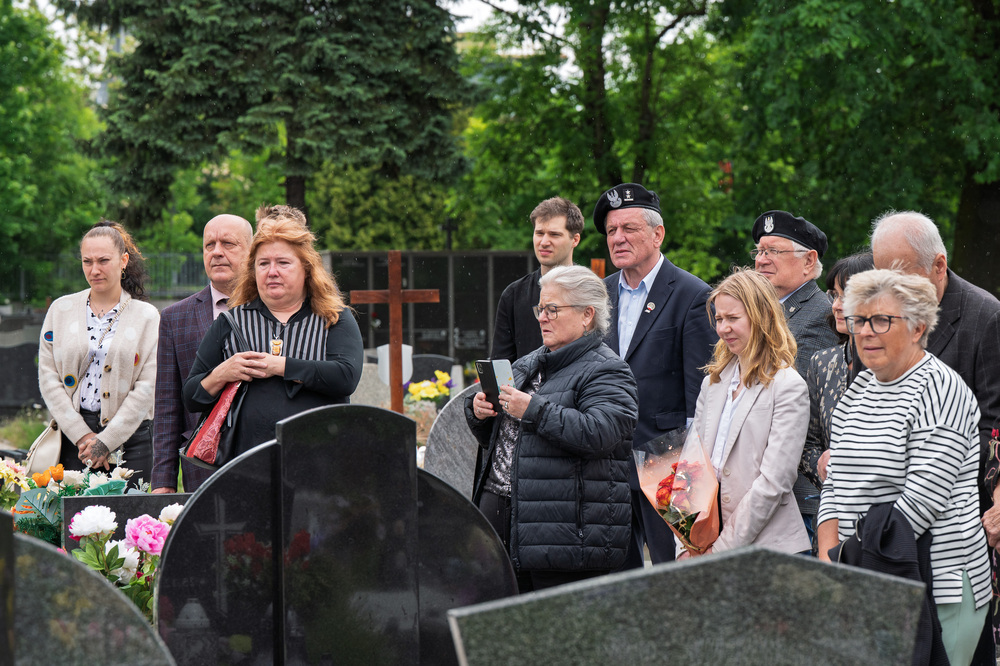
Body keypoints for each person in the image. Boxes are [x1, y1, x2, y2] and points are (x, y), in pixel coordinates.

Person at [817, 269, 990, 666]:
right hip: (864, 574)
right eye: (860, 320)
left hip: (936, 583)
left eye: (881, 320)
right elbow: (835, 484)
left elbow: (920, 504)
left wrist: (846, 562)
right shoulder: (860, 389)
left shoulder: (941, 389)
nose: (865, 331)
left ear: (918, 328)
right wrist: (830, 560)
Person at [871, 210, 1000, 656]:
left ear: (939, 266)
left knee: (957, 646)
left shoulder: (985, 317)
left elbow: (993, 424)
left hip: (958, 523)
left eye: (900, 271)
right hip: (890, 521)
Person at [466, 265, 638, 593]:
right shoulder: (528, 363)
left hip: (563, 537)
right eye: (540, 309)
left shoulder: (609, 371)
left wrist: (534, 410)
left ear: (587, 315)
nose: (542, 317)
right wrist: (480, 412)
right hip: (502, 527)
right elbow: (501, 441)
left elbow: (599, 433)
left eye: (552, 309)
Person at [593, 182, 717, 567]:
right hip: (608, 462)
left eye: (628, 228)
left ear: (657, 233)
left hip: (670, 462)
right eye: (612, 231)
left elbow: (700, 391)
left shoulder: (691, 294)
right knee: (616, 574)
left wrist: (691, 471)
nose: (618, 238)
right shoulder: (601, 294)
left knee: (677, 569)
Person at [183, 205, 364, 459]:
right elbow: (192, 397)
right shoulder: (230, 322)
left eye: (283, 263)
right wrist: (223, 373)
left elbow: (346, 377)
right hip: (247, 462)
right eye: (263, 263)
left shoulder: (334, 317)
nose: (272, 272)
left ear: (306, 269)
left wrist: (280, 366)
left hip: (323, 456)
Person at [683, 268, 810, 557]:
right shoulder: (712, 383)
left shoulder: (788, 386)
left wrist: (722, 549)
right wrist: (685, 542)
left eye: (733, 318)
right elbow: (690, 467)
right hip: (703, 543)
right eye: (718, 319)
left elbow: (774, 482)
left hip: (766, 549)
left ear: (761, 316)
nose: (723, 328)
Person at [38, 221, 160, 483]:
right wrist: (84, 436)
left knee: (129, 521)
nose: (94, 270)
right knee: (73, 520)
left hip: (132, 443)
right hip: (73, 443)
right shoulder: (60, 311)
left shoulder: (147, 317)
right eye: (87, 261)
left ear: (124, 260)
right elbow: (49, 378)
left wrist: (107, 441)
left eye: (104, 260)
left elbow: (148, 386)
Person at [751, 210, 839, 539]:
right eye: (759, 251)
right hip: (762, 488)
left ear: (808, 260)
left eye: (773, 251)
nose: (761, 260)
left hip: (797, 497)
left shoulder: (820, 314)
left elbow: (794, 405)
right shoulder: (761, 313)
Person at [151, 214, 253, 494]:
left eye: (228, 243)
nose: (217, 252)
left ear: (251, 251)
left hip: (261, 458)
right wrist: (162, 481)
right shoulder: (175, 317)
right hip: (202, 465)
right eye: (210, 245)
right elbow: (167, 405)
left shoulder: (275, 310)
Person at [800, 252, 874, 546]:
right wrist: (820, 462)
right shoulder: (823, 363)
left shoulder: (900, 367)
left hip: (886, 519)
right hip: (832, 517)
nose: (837, 305)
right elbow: (807, 442)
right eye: (834, 295)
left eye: (848, 296)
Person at [490, 196, 583, 362]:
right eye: (539, 233)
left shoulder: (591, 293)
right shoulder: (513, 295)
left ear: (575, 240)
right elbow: (500, 365)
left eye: (554, 234)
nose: (544, 242)